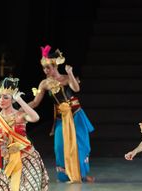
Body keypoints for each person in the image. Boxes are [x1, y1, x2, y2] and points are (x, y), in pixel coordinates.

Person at [28, 45, 94, 183]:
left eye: (49, 68)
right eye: (44, 68)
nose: (46, 70)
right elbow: (35, 102)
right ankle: (65, 175)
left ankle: (81, 174)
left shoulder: (66, 78)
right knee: (59, 146)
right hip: (61, 117)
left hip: (76, 114)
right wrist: (20, 108)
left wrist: (70, 73)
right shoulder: (44, 84)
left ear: (55, 66)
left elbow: (76, 88)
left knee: (80, 144)